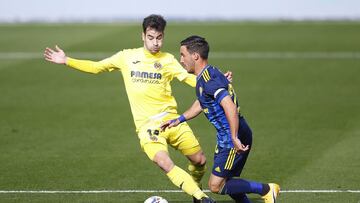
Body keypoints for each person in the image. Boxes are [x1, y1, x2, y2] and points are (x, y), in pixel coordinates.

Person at [43, 15, 230, 203]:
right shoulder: (127, 57)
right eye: (151, 37)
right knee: (164, 162)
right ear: (143, 36)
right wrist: (67, 60)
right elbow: (97, 67)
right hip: (148, 126)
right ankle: (202, 198)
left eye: (159, 38)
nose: (156, 43)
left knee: (199, 161)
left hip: (172, 121)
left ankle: (195, 191)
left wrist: (216, 81)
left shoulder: (168, 60)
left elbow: (192, 79)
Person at [161, 35, 280, 203]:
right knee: (229, 182)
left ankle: (267, 189)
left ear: (195, 56)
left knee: (216, 186)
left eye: (183, 55)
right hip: (232, 133)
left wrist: (233, 137)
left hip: (232, 136)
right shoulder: (209, 73)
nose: (181, 60)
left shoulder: (208, 81)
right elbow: (202, 102)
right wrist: (179, 119)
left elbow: (229, 106)